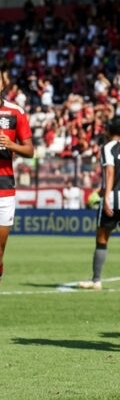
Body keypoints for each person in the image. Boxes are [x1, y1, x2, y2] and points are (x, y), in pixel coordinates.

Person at [77, 118, 120, 291]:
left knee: (102, 239)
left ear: (108, 131)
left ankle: (96, 280)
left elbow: (109, 173)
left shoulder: (108, 148)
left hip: (114, 199)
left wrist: (106, 198)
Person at [0, 65, 34, 285]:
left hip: (4, 189)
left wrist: (11, 144)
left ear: (4, 84)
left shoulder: (15, 112)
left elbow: (30, 150)